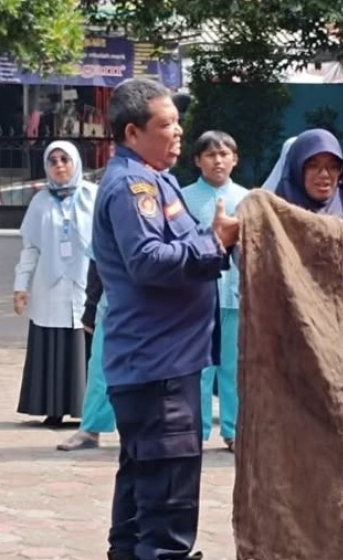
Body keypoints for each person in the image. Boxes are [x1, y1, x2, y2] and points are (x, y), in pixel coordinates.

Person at [93, 78, 239, 560]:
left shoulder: (154, 179)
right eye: (166, 125)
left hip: (159, 365)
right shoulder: (133, 186)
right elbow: (150, 261)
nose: (178, 133)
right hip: (158, 370)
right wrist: (214, 243)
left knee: (141, 502)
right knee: (168, 511)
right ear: (132, 132)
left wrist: (213, 242)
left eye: (178, 123)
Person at [14, 140, 97, 426]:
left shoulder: (93, 197)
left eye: (65, 159)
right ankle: (53, 407)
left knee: (86, 342)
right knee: (52, 344)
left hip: (87, 284)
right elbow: (30, 248)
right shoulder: (40, 202)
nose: (59, 165)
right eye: (53, 161)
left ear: (76, 162)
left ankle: (89, 409)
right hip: (50, 287)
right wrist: (20, 286)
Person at [182, 130, 249, 452]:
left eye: (224, 154)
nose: (218, 160)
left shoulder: (248, 199)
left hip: (235, 296)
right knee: (199, 367)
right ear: (197, 160)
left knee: (233, 368)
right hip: (198, 296)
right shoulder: (182, 199)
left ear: (235, 159)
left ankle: (234, 430)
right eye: (210, 155)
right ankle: (196, 428)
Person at [57, 254, 116, 451]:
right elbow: (97, 257)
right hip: (115, 304)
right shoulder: (109, 221)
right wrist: (90, 306)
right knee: (100, 368)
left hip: (158, 304)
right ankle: (91, 429)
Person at [273, 129, 343, 223]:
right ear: (296, 170)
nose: (324, 174)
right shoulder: (272, 220)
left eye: (333, 167)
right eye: (313, 166)